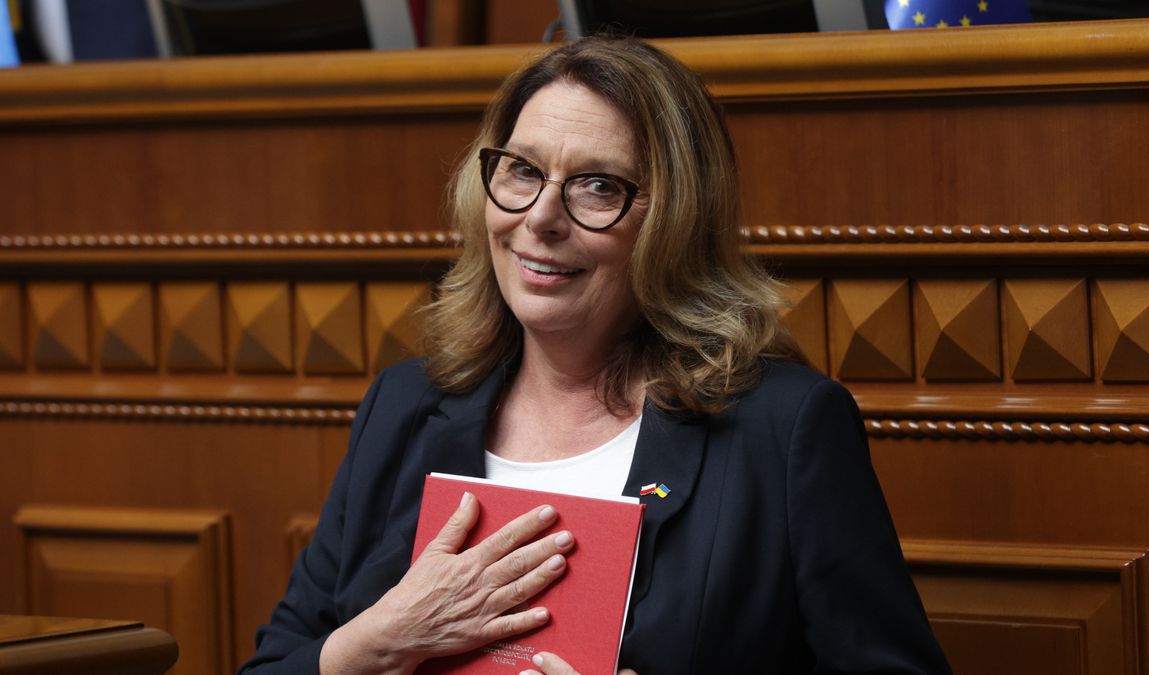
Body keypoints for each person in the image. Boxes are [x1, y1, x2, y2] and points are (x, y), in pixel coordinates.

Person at [241, 36, 952, 675]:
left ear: (675, 220)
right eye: (522, 171)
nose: (541, 217)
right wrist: (376, 642)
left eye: (598, 186)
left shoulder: (783, 429)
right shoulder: (401, 407)